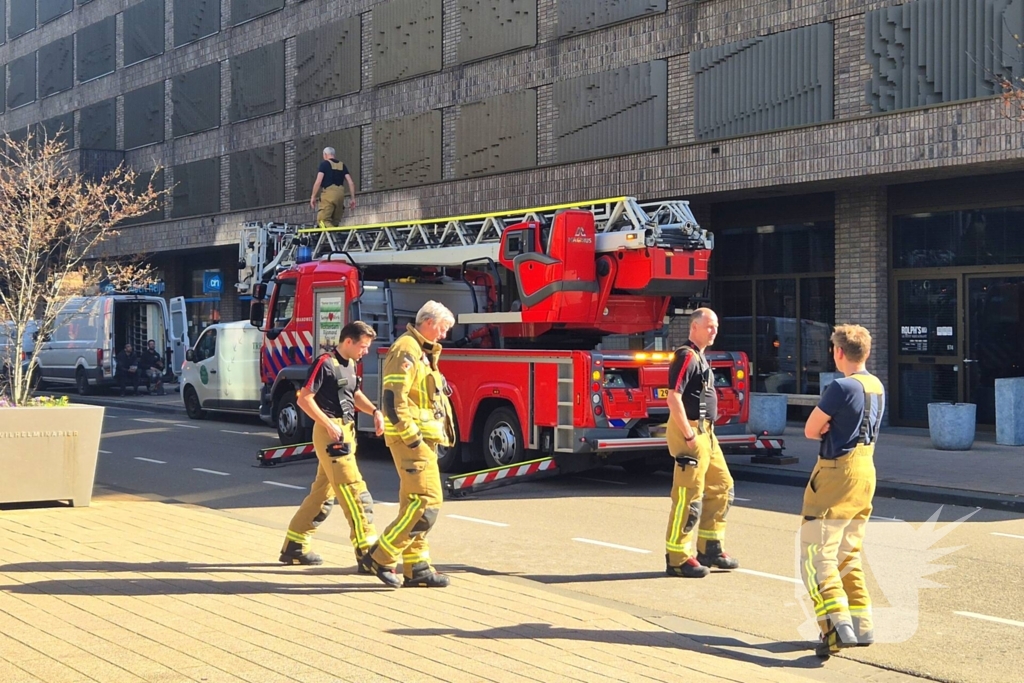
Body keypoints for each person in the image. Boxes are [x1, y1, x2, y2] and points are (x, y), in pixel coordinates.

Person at [801, 324, 885, 659]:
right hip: (867, 470)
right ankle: (862, 624)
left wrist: (825, 425)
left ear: (838, 353)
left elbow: (810, 430)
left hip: (836, 472)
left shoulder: (840, 386)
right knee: (848, 551)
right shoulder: (876, 385)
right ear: (866, 352)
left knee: (816, 553)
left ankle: (835, 627)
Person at [359, 301, 456, 589]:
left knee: (414, 504)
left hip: (422, 439)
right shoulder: (407, 349)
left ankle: (418, 566)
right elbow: (393, 399)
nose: (444, 335)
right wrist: (412, 437)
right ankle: (380, 555)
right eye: (443, 328)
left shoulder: (419, 350)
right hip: (413, 441)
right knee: (428, 502)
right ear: (428, 322)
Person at [280, 321, 385, 568]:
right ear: (348, 341)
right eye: (363, 346)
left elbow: (354, 394)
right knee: (355, 492)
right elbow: (305, 399)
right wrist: (328, 424)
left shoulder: (351, 364)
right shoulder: (324, 363)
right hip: (332, 435)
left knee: (322, 495)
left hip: (345, 432)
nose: (366, 352)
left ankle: (295, 545)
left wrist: (375, 411)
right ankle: (368, 554)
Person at [664, 308, 739, 578]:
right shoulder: (686, 355)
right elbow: (673, 397)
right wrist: (688, 434)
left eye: (716, 326)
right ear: (694, 327)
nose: (714, 331)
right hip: (694, 432)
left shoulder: (700, 356)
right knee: (688, 498)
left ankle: (710, 548)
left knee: (722, 487)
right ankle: (677, 558)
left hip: (707, 432)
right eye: (709, 326)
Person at [309, 146, 357, 227]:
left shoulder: (324, 164)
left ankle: (333, 238)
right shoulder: (342, 165)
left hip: (329, 194)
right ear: (334, 154)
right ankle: (334, 237)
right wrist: (352, 198)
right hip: (340, 195)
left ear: (325, 155)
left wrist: (313, 196)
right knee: (335, 222)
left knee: (322, 220)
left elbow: (318, 181)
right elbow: (351, 182)